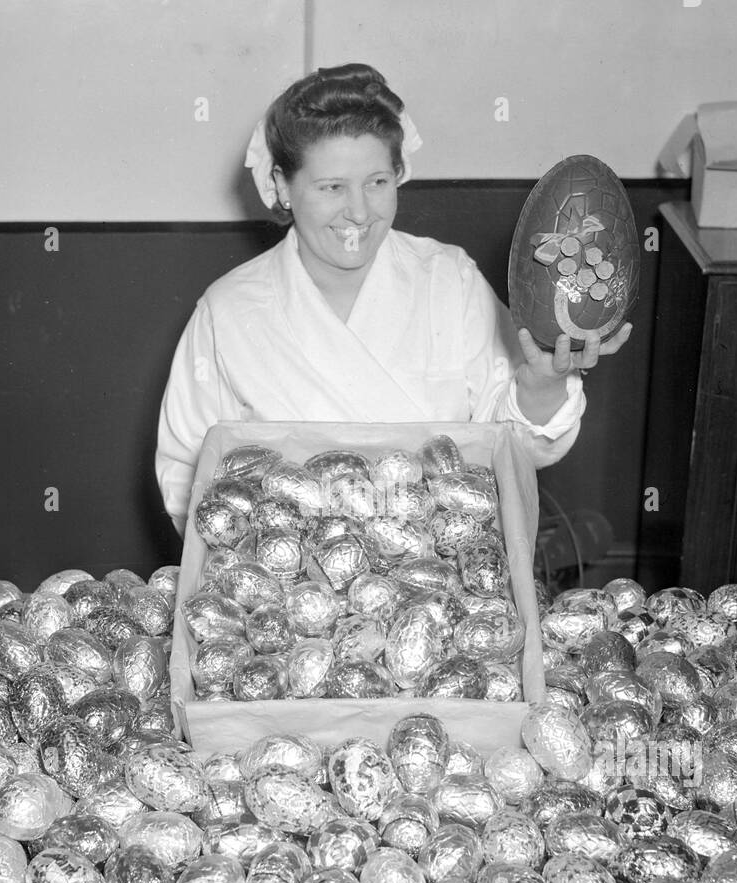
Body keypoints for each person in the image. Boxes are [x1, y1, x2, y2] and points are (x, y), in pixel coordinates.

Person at [155, 63, 631, 534]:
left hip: (446, 582)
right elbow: (188, 477)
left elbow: (515, 450)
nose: (359, 212)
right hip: (286, 592)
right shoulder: (229, 310)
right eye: (332, 187)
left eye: (377, 182)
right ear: (281, 185)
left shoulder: (449, 280)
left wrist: (542, 385)